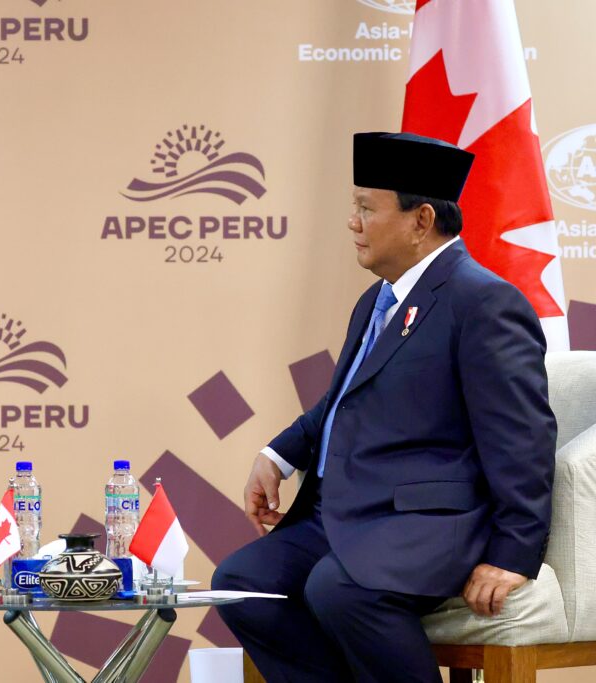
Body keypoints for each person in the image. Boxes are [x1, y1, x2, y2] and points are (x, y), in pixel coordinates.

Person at [213, 132, 557, 683]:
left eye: (365, 208)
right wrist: (279, 454)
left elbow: (523, 438)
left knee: (339, 588)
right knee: (241, 584)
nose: (352, 221)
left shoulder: (483, 302)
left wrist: (514, 552)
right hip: (343, 514)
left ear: (421, 221)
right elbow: (348, 399)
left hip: (424, 522)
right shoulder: (377, 298)